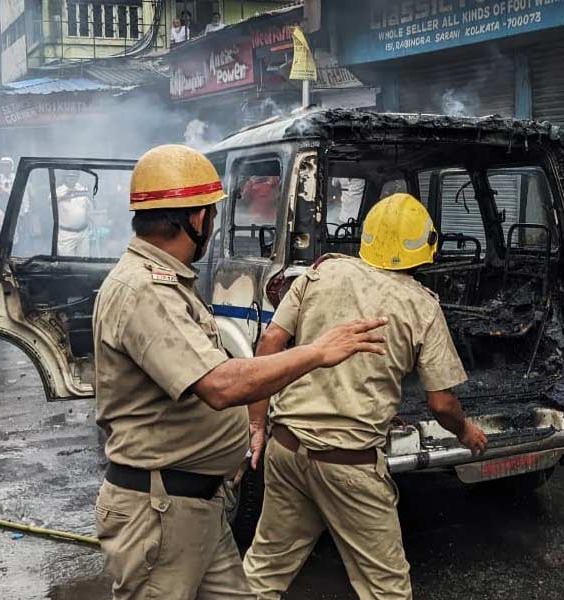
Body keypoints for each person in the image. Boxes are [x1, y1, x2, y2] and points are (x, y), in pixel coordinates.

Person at [92, 144, 388, 600]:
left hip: (197, 504)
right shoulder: (144, 290)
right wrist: (317, 352)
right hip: (162, 512)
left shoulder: (167, 281)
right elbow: (219, 384)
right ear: (193, 218)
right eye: (211, 213)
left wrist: (251, 425)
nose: (212, 223)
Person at [243, 193, 489, 599]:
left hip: (286, 450)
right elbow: (441, 403)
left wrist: (257, 421)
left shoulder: (318, 275)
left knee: (264, 571)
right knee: (386, 589)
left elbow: (269, 343)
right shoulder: (422, 306)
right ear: (426, 247)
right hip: (349, 466)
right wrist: (465, 431)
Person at [56, 171, 93, 256]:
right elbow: (49, 202)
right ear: (65, 177)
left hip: (83, 233)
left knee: (84, 262)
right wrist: (65, 196)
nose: (72, 178)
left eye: (74, 176)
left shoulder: (82, 189)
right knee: (67, 264)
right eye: (69, 176)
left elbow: (90, 206)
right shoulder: (59, 191)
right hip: (66, 234)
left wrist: (90, 196)